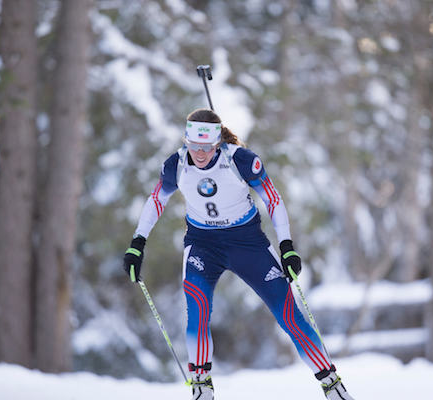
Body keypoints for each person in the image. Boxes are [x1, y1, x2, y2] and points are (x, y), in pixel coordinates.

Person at [123, 108, 354, 400]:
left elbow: (273, 199)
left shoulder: (240, 160)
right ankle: (201, 387)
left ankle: (332, 385)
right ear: (186, 141)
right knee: (197, 311)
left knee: (288, 316)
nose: (200, 153)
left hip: (248, 243)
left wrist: (286, 246)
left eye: (207, 147)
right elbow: (157, 199)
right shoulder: (177, 165)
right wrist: (137, 243)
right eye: (194, 146)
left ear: (217, 142)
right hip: (203, 245)